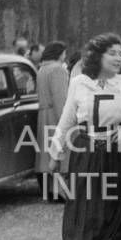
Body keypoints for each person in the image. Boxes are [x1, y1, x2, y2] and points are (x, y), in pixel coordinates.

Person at [49, 33, 121, 240]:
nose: (118, 58)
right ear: (97, 55)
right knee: (82, 209)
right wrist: (56, 152)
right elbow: (67, 120)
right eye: (112, 53)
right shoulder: (79, 83)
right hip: (87, 150)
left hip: (119, 154)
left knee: (116, 209)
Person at [35, 41, 70, 201]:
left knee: (46, 153)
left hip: (43, 114)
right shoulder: (58, 70)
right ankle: (60, 191)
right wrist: (66, 120)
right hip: (55, 115)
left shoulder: (42, 69)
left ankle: (50, 190)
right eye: (64, 52)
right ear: (59, 53)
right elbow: (60, 97)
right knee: (59, 151)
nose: (65, 56)